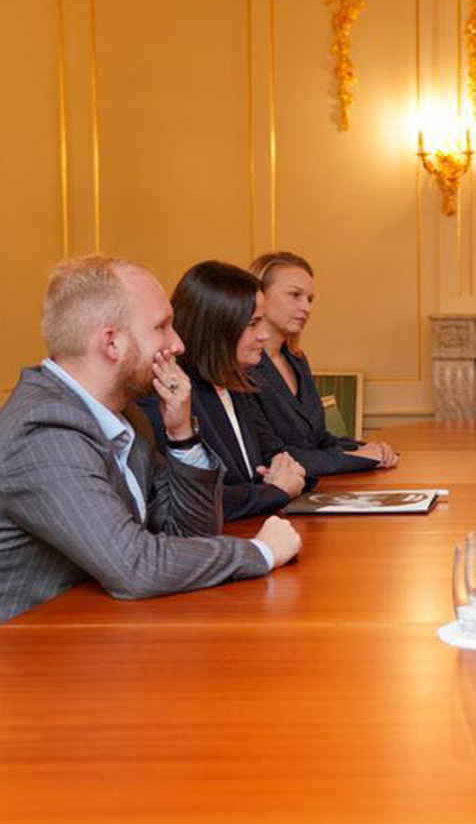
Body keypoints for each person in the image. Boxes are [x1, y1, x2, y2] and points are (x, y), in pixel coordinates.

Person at [0, 256, 301, 622]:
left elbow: (191, 535)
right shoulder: (44, 430)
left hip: (100, 628)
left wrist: (182, 434)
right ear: (112, 343)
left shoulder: (128, 417)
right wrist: (260, 552)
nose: (178, 344)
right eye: (162, 327)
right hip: (32, 646)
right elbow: (134, 566)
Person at [140, 261, 311, 521]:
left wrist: (284, 467)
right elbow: (204, 498)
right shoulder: (168, 396)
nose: (263, 336)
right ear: (217, 327)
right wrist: (275, 491)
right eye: (253, 324)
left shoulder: (236, 384)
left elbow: (272, 457)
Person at [246, 251, 398, 476]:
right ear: (260, 296)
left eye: (309, 299)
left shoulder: (296, 360)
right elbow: (273, 457)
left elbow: (319, 439)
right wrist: (359, 458)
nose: (306, 308)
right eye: (295, 295)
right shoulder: (243, 368)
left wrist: (368, 449)